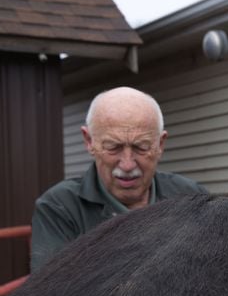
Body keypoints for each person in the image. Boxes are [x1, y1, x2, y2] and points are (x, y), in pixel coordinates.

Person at [30, 87, 208, 272]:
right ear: (89, 141)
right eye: (113, 147)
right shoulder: (60, 207)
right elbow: (52, 291)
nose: (127, 164)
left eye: (141, 147)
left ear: (160, 144)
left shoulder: (192, 197)